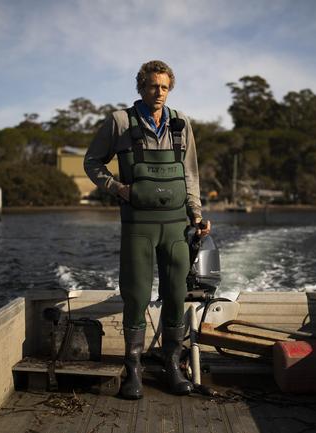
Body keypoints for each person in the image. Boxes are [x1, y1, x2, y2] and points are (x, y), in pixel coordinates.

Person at [84, 60, 211, 399]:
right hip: (138, 227)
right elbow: (91, 162)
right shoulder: (120, 121)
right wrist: (118, 188)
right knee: (136, 296)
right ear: (140, 87)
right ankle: (133, 371)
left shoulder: (181, 124)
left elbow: (191, 175)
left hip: (175, 227)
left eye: (165, 87)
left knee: (174, 296)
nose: (159, 93)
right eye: (153, 86)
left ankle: (172, 365)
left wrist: (196, 216)